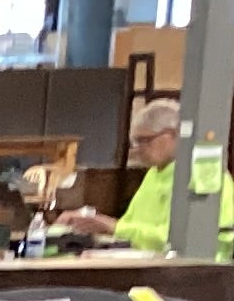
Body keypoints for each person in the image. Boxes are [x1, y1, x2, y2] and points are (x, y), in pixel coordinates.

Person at [59, 96, 234, 258]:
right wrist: (88, 220)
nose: (138, 149)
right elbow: (129, 226)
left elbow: (182, 239)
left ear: (174, 134)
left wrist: (114, 227)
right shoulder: (155, 173)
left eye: (145, 140)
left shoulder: (201, 175)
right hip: (147, 262)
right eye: (135, 142)